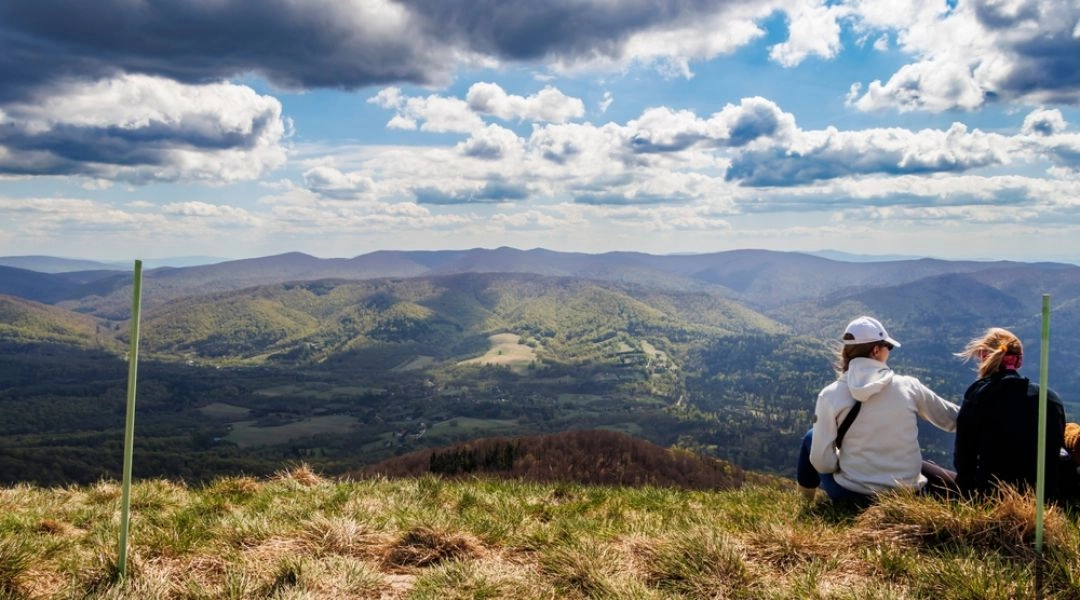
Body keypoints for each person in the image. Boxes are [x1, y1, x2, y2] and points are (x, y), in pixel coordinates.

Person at [796, 316, 960, 503]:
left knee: (811, 436)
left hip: (855, 498)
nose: (888, 352)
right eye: (887, 347)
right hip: (909, 495)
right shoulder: (909, 386)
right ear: (875, 351)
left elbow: (823, 464)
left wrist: (846, 462)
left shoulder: (830, 395)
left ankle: (805, 503)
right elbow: (953, 418)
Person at [953, 327, 1066, 499]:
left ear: (983, 355)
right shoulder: (1050, 400)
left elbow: (964, 459)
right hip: (1042, 503)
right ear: (1019, 361)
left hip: (990, 499)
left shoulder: (979, 396)